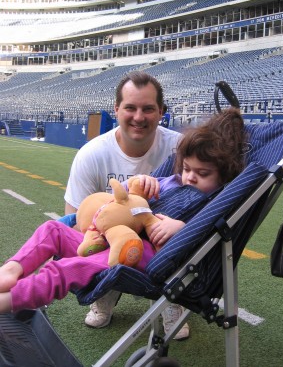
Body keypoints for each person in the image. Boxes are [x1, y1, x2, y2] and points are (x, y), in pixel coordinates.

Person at [0, 108, 246, 329]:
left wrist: (182, 228)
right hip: (109, 238)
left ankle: (11, 299)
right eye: (187, 168)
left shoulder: (215, 200)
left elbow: (212, 235)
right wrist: (142, 183)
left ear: (222, 176)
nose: (190, 177)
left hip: (141, 253)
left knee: (68, 268)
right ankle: (12, 269)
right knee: (52, 229)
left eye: (202, 174)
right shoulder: (170, 182)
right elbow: (122, 198)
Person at [60, 70, 188, 339]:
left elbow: (203, 198)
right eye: (130, 108)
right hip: (111, 240)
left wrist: (179, 227)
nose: (139, 117)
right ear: (116, 109)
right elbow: (74, 219)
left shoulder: (181, 149)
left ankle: (170, 299)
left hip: (162, 237)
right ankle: (106, 290)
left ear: (161, 111)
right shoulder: (92, 155)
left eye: (148, 109)